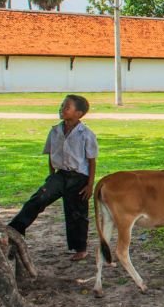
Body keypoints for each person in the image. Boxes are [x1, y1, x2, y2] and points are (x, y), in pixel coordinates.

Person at [9, 95, 98, 261]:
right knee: (38, 199)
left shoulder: (86, 134)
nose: (62, 109)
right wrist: (52, 177)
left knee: (77, 213)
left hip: (79, 178)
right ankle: (15, 229)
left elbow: (92, 161)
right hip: (60, 175)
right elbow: (50, 154)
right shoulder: (55, 131)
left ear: (78, 113)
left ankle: (80, 248)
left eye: (67, 107)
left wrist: (90, 184)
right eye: (62, 105)